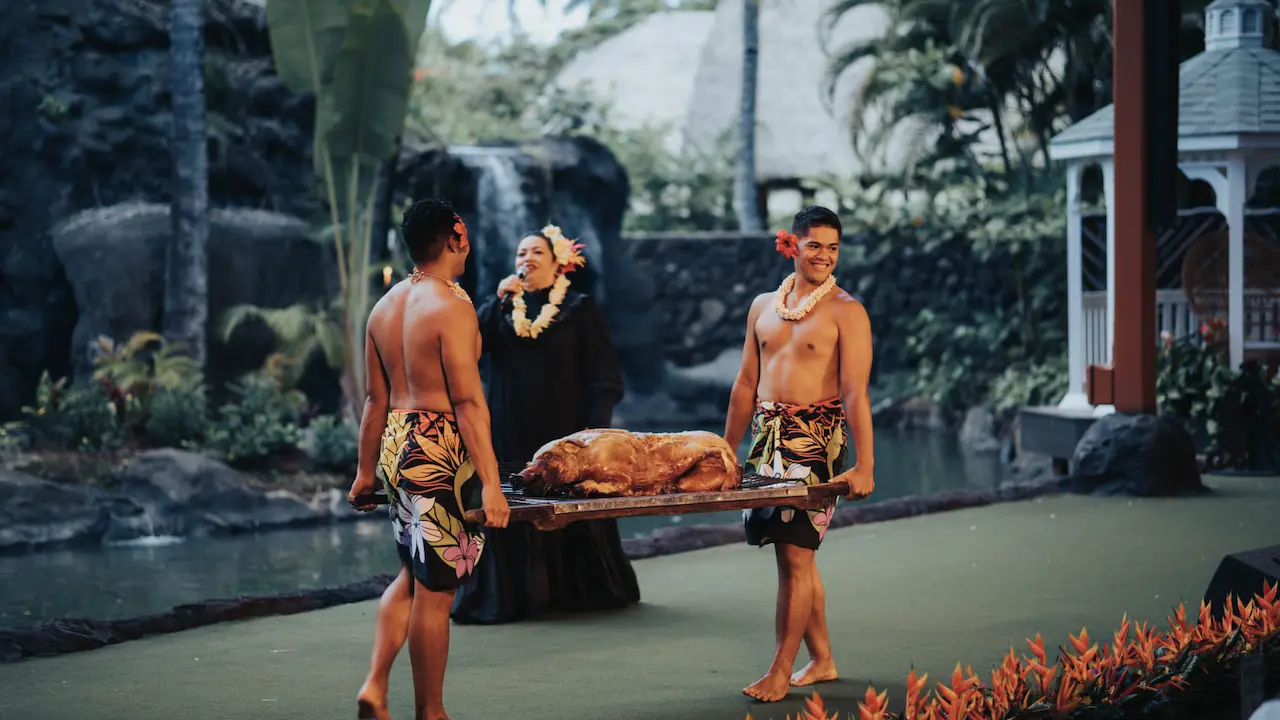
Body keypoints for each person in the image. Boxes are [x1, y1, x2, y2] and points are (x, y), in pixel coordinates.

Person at [346, 197, 512, 720]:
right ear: (456, 236)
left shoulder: (384, 307)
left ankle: (375, 685)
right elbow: (466, 401)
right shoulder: (451, 306)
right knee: (437, 592)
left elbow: (374, 400)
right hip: (437, 448)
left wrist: (365, 471)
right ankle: (431, 711)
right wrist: (490, 483)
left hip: (397, 441)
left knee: (411, 575)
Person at [722, 205, 876, 703]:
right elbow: (746, 383)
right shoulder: (763, 305)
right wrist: (726, 452)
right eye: (815, 246)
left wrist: (865, 464)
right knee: (795, 558)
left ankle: (780, 670)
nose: (825, 257)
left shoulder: (847, 311)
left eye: (833, 248)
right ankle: (823, 658)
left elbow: (856, 392)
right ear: (791, 245)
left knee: (794, 554)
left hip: (816, 442)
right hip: (766, 440)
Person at [450, 224, 640, 624]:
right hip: (508, 428)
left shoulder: (580, 309)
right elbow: (469, 349)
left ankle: (576, 591)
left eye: (536, 252)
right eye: (521, 254)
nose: (527, 260)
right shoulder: (502, 310)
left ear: (558, 264)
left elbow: (604, 376)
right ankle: (513, 596)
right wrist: (496, 301)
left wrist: (594, 433)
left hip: (565, 431)